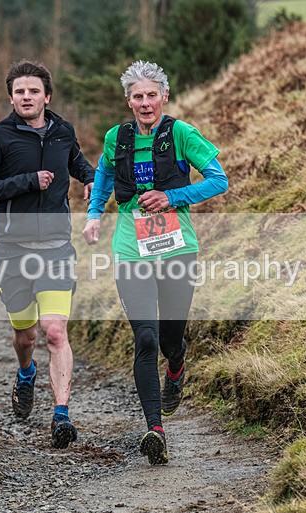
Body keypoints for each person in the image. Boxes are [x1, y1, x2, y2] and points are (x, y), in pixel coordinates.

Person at [82, 60, 228, 465]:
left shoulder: (181, 134)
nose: (145, 103)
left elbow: (218, 180)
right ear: (128, 101)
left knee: (169, 340)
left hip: (177, 248)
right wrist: (94, 214)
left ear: (164, 96)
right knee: (145, 338)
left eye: (151, 95)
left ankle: (176, 365)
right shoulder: (117, 137)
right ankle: (155, 430)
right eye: (137, 96)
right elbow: (104, 176)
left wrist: (171, 197)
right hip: (131, 249)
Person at [0, 60, 95, 449]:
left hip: (56, 249)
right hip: (13, 252)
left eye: (33, 91)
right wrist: (26, 181)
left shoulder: (62, 131)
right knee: (25, 335)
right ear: (11, 98)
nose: (26, 97)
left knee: (54, 331)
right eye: (20, 91)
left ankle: (61, 415)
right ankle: (26, 373)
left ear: (46, 97)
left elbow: (76, 161)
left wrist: (91, 178)